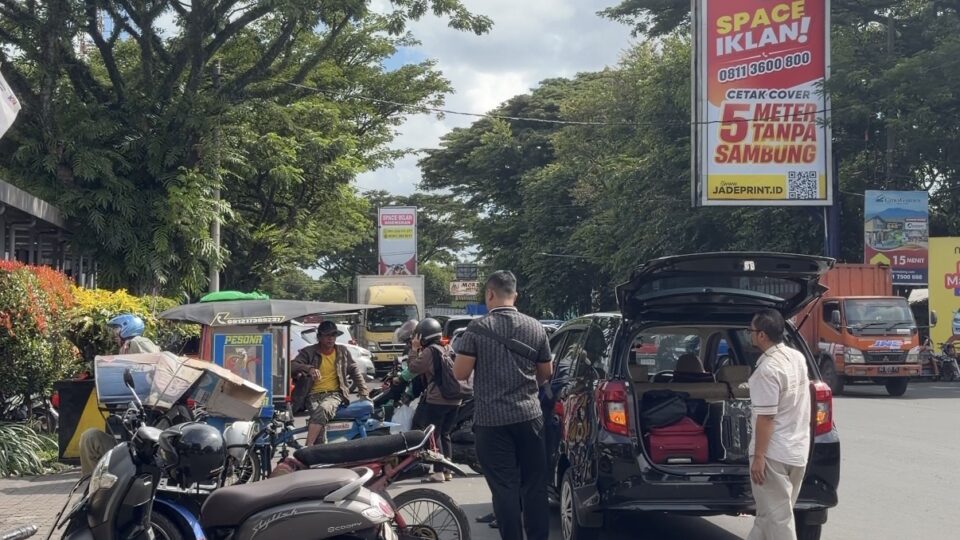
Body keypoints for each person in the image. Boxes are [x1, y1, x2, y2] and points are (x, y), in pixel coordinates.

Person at [453, 270, 553, 540]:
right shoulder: (536, 327)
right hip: (529, 417)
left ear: (489, 294)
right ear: (515, 295)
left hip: (491, 421)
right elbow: (546, 373)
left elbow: (460, 374)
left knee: (504, 488)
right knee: (534, 486)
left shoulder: (477, 329)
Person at [747, 309, 811, 540]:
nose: (750, 335)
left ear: (762, 335)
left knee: (778, 520)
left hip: (773, 456)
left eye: (751, 331)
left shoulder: (767, 370)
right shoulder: (797, 357)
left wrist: (759, 457)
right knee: (768, 517)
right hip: (797, 451)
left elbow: (766, 417)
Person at [79, 314, 161, 475]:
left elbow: (156, 364)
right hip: (126, 437)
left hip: (145, 435)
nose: (114, 334)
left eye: (117, 329)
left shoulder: (138, 342)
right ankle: (92, 487)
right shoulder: (124, 349)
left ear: (127, 327)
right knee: (89, 438)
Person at [291, 320, 369, 445]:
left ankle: (308, 447)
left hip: (334, 395)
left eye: (333, 335)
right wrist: (309, 369)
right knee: (320, 429)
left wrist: (363, 390)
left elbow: (354, 369)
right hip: (312, 396)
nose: (331, 339)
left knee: (322, 410)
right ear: (319, 337)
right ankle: (320, 456)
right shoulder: (309, 352)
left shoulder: (342, 351)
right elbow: (292, 366)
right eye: (327, 335)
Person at [407, 318, 463, 483]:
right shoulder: (447, 347)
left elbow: (412, 368)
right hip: (455, 399)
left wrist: (413, 349)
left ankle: (438, 471)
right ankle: (448, 470)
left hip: (438, 399)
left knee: (434, 434)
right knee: (445, 434)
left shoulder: (430, 351)